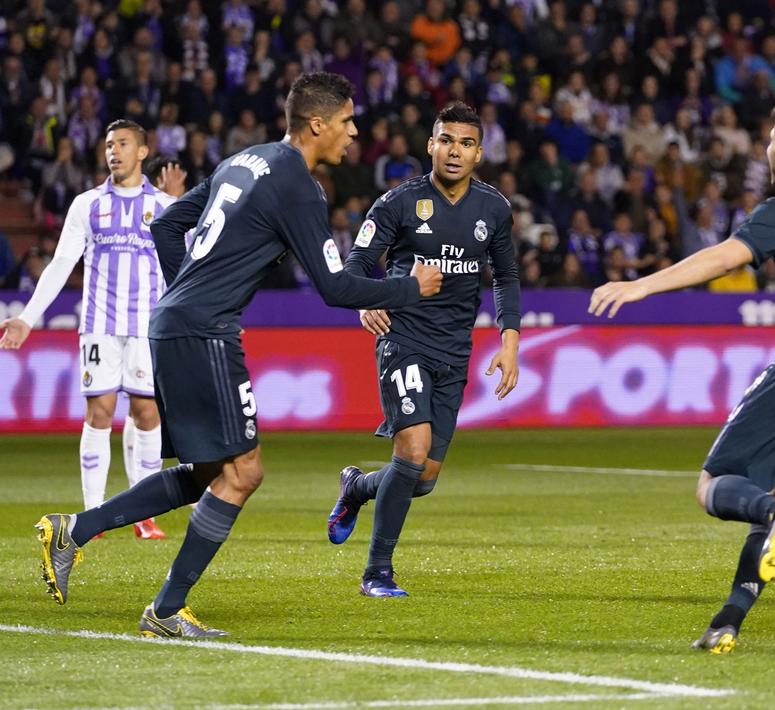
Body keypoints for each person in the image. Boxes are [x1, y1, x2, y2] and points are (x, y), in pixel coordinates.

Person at [30, 72, 443, 637]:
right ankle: (167, 609)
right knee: (244, 472)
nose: (354, 131)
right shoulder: (297, 184)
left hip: (174, 323)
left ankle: (73, 530)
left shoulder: (246, 160)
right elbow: (336, 289)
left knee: (207, 473)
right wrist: (409, 289)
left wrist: (185, 293)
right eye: (347, 120)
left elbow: (170, 222)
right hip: (202, 331)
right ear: (317, 123)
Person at [589, 102, 775, 653]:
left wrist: (640, 286)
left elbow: (726, 257)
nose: (767, 152)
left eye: (770, 142)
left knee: (716, 484)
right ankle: (728, 620)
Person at [325, 101, 521, 597]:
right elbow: (356, 265)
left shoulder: (494, 209)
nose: (455, 151)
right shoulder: (399, 203)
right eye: (447, 140)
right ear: (431, 145)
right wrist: (363, 303)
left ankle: (358, 487)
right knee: (410, 453)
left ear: (479, 153)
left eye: (467, 143)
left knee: (424, 476)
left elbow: (506, 277)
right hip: (403, 338)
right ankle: (377, 572)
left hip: (454, 350)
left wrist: (510, 341)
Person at [1, 120, 185, 541]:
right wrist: (27, 318)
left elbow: (186, 270)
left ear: (142, 152)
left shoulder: (166, 207)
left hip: (147, 326)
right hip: (100, 325)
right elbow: (62, 263)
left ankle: (145, 514)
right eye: (108, 145)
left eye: (123, 144)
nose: (113, 151)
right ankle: (94, 513)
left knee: (146, 413)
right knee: (99, 413)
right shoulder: (87, 204)